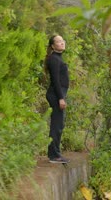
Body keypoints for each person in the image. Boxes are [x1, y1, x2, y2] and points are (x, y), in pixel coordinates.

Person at [45, 34, 70, 164]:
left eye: (62, 40)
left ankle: (54, 153)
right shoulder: (54, 59)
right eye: (58, 41)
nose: (62, 43)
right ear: (53, 46)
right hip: (56, 95)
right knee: (57, 125)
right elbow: (55, 81)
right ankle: (54, 155)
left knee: (58, 124)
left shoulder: (57, 58)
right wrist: (61, 98)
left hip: (58, 94)